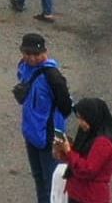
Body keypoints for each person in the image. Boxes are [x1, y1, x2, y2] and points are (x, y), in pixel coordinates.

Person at [10, 32, 72, 200]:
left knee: (52, 182)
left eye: (36, 54)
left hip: (50, 136)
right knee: (38, 178)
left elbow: (65, 107)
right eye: (28, 54)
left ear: (45, 52)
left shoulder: (53, 77)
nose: (32, 58)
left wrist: (58, 139)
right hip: (31, 133)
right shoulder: (23, 66)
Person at [56, 99, 112, 203]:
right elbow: (77, 156)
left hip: (91, 197)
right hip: (78, 194)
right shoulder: (87, 133)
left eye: (83, 119)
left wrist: (68, 151)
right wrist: (63, 152)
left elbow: (87, 170)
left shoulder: (104, 143)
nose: (80, 123)